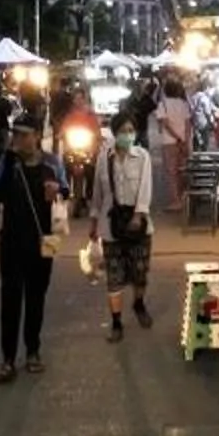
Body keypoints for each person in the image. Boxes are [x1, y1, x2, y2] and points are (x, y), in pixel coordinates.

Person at [0, 112, 64, 381]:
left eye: (24, 134)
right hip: (11, 240)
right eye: (16, 134)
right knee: (10, 299)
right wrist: (10, 160)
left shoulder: (52, 164)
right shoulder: (8, 162)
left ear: (36, 136)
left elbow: (66, 194)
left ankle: (33, 351)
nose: (19, 139)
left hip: (47, 239)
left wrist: (57, 191)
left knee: (37, 296)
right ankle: (7, 359)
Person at [89, 111, 156, 339]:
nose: (128, 135)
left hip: (139, 226)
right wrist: (93, 221)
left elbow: (146, 189)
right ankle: (116, 323)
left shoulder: (143, 157)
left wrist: (139, 215)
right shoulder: (103, 158)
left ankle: (138, 303)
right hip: (111, 226)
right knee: (114, 276)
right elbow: (97, 193)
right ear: (114, 134)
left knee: (140, 273)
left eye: (131, 131)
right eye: (123, 131)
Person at [153, 75, 194, 215]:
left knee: (171, 173)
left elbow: (165, 124)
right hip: (183, 142)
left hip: (170, 142)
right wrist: (185, 140)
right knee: (182, 170)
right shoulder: (183, 104)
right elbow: (188, 124)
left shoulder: (162, 104)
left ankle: (176, 201)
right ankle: (184, 198)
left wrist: (176, 138)